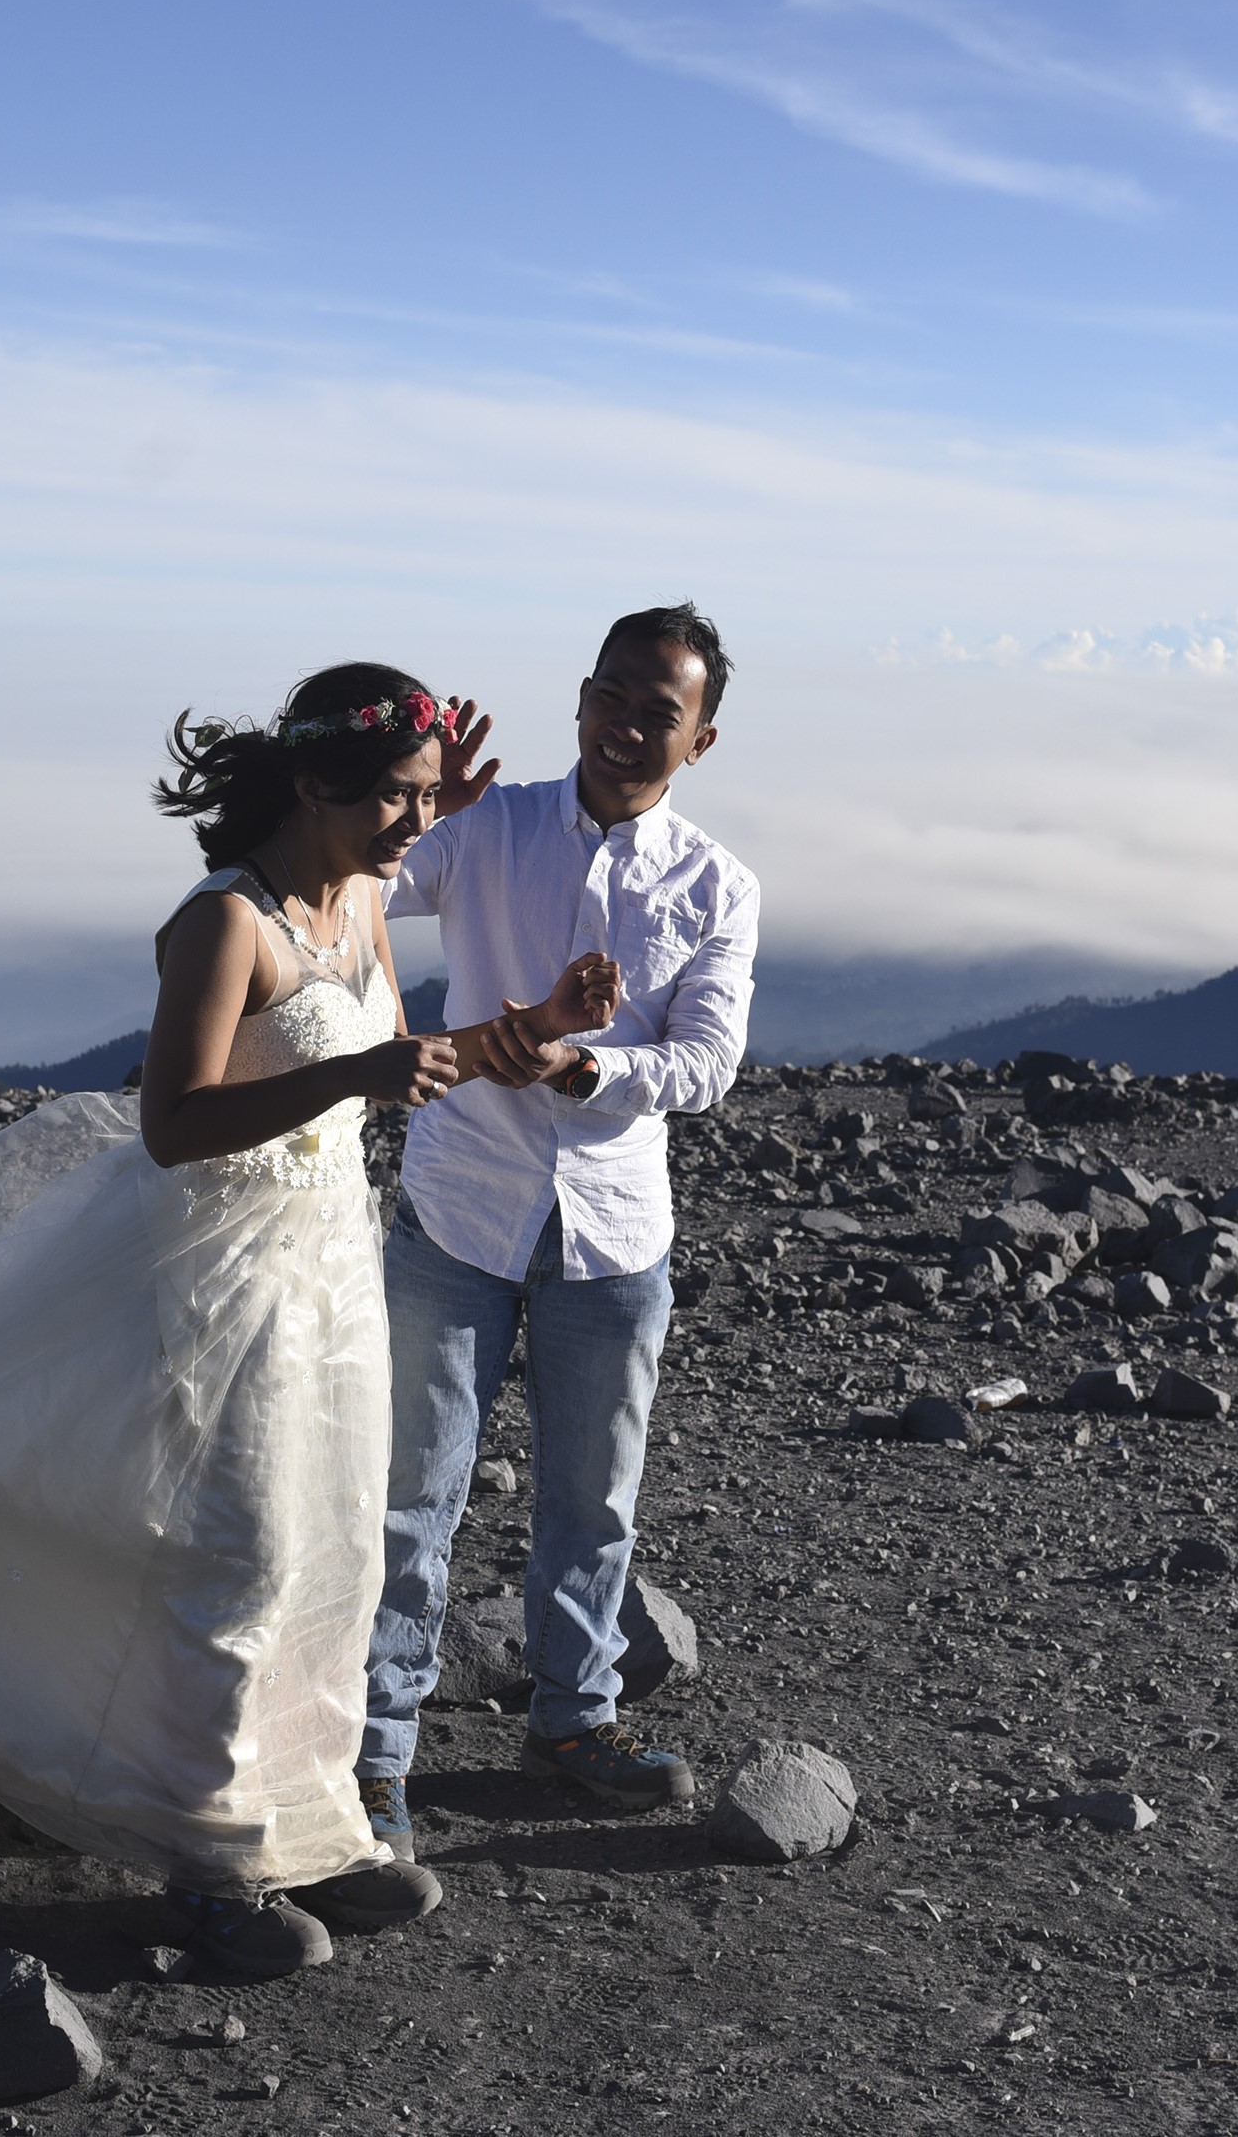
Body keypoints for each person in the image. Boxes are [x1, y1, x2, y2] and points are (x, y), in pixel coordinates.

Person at [0, 664, 622, 1981]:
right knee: (239, 1555)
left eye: (427, 799)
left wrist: (531, 1031)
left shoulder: (364, 898)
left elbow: (407, 1064)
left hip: (332, 1266)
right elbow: (171, 1124)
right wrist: (358, 1070)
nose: (418, 824)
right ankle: (212, 1869)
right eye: (399, 797)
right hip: (216, 1273)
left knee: (333, 1545)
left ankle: (311, 1831)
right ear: (317, 783)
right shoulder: (224, 923)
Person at [360, 605, 759, 1851]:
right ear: (582, 696)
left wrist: (584, 1071)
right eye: (616, 696)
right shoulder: (490, 824)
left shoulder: (718, 884)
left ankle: (573, 1715)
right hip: (459, 1204)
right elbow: (357, 890)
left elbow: (709, 1062)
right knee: (410, 1491)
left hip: (616, 1227)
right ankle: (377, 1754)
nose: (631, 725)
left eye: (662, 711)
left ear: (701, 740)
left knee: (595, 1498)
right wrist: (425, 810)